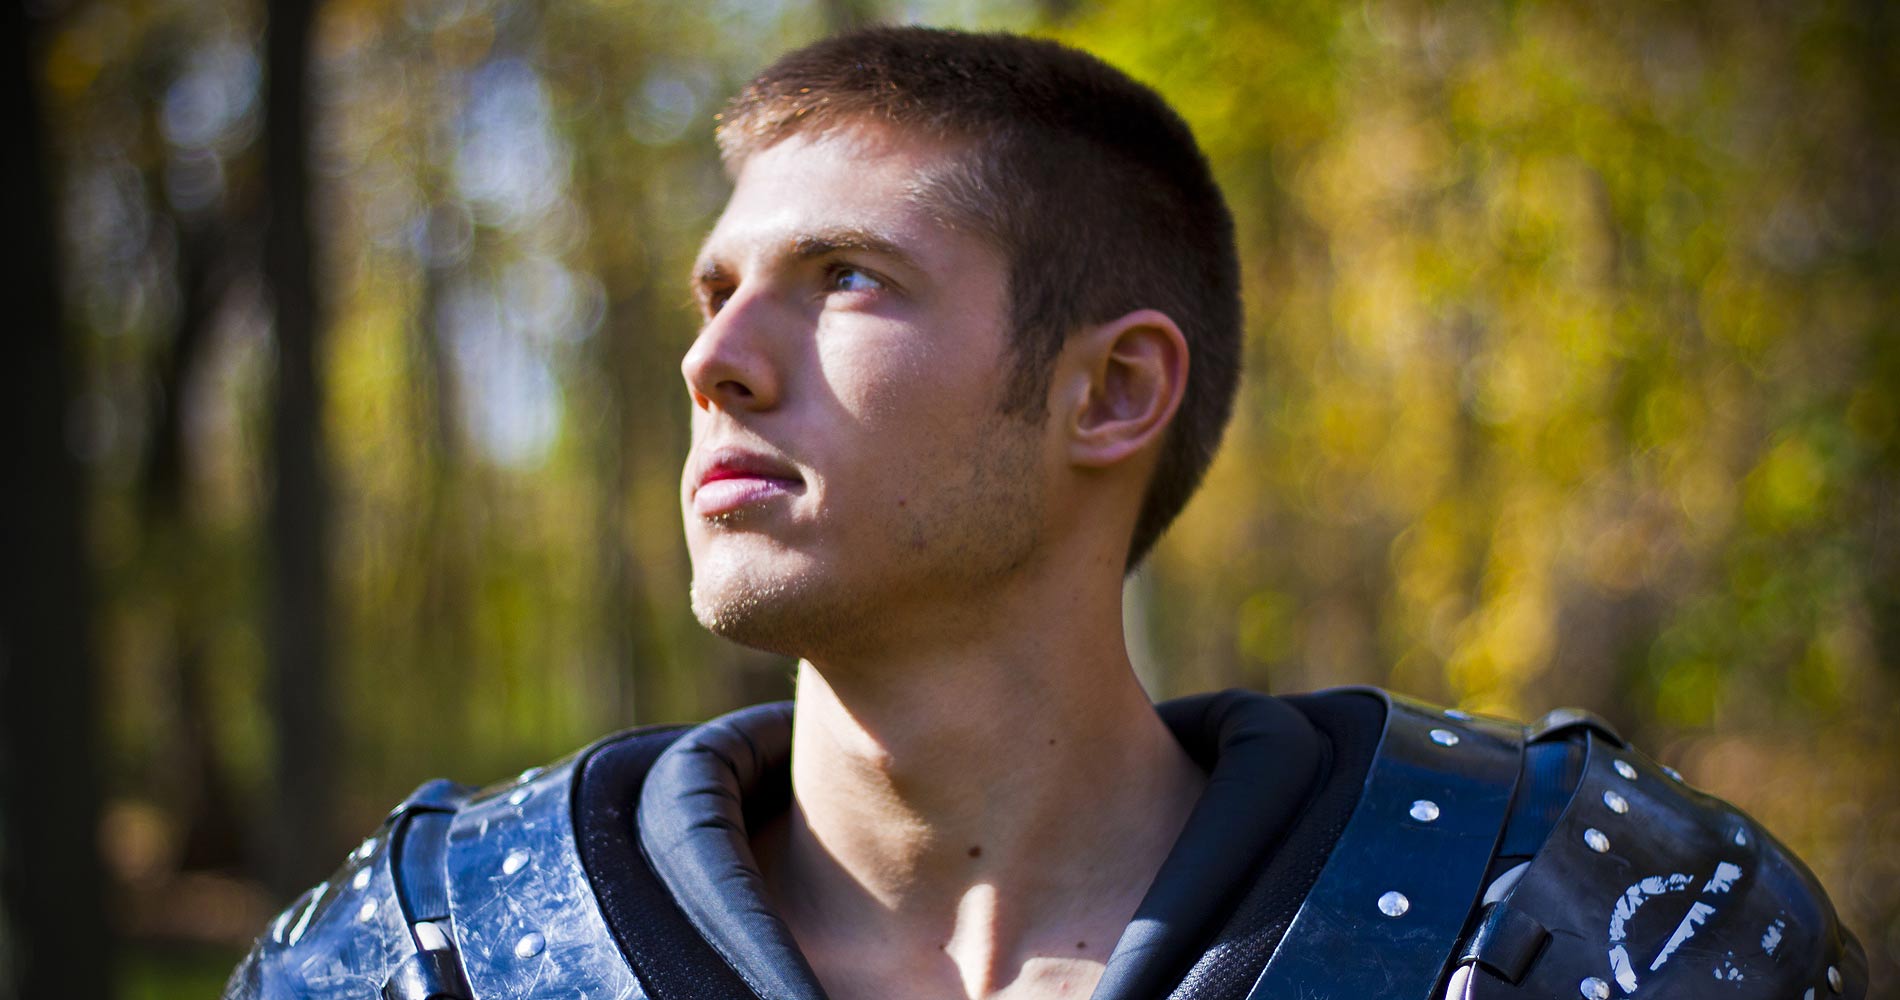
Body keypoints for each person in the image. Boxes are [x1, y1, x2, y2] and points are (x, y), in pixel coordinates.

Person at [226, 26, 1866, 1000]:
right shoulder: (422, 962)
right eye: (715, 291)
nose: (712, 361)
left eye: (844, 280)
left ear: (1112, 394)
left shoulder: (1575, 934)